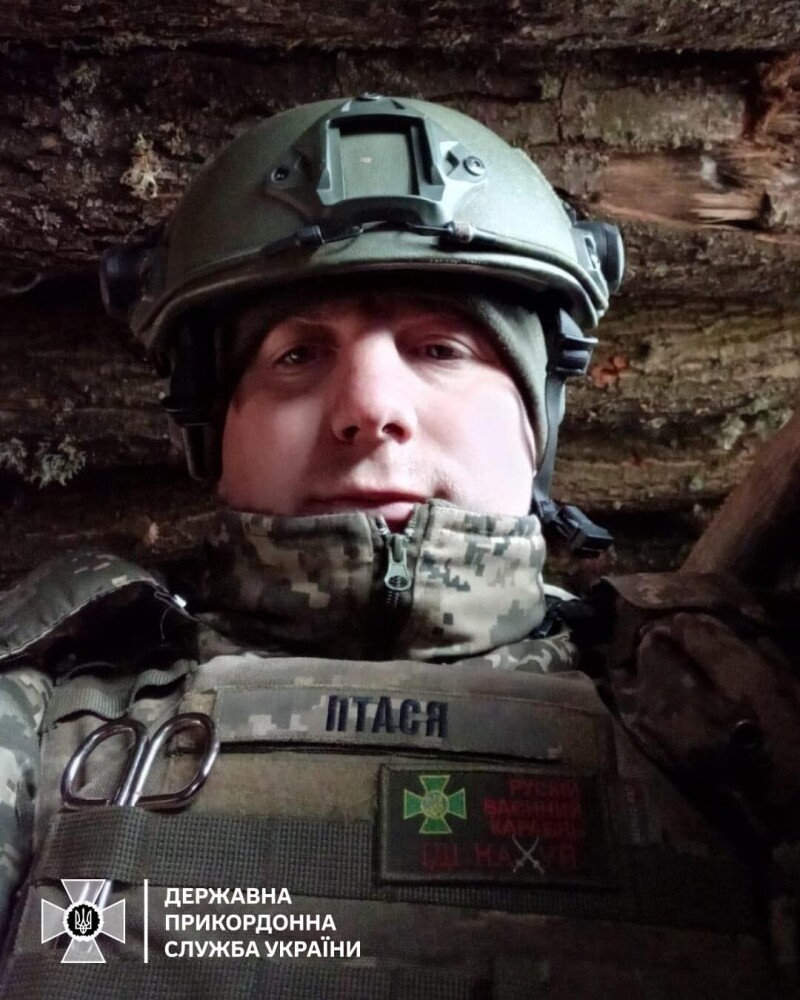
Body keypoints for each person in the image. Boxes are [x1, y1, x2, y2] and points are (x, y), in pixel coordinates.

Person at [0, 94, 797, 998]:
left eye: (442, 349)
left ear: (537, 421)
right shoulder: (40, 717)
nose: (369, 409)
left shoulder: (734, 704)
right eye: (296, 356)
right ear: (211, 432)